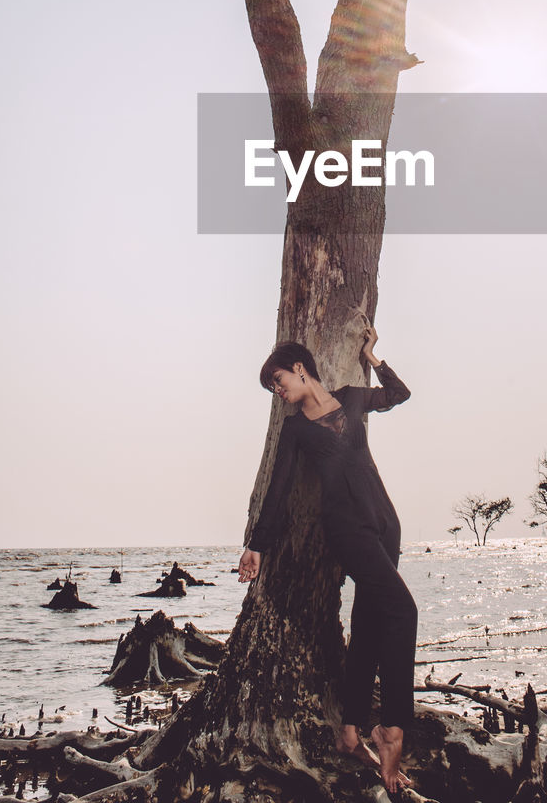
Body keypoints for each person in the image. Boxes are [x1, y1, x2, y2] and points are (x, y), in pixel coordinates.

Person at [237, 324, 417, 794]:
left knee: (373, 621)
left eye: (279, 381)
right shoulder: (296, 430)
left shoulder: (353, 398)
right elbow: (278, 490)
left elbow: (399, 394)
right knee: (405, 611)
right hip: (347, 528)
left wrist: (373, 356)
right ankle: (392, 730)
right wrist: (257, 543)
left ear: (300, 369)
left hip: (384, 520)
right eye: (273, 388)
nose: (278, 392)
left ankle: (350, 731)